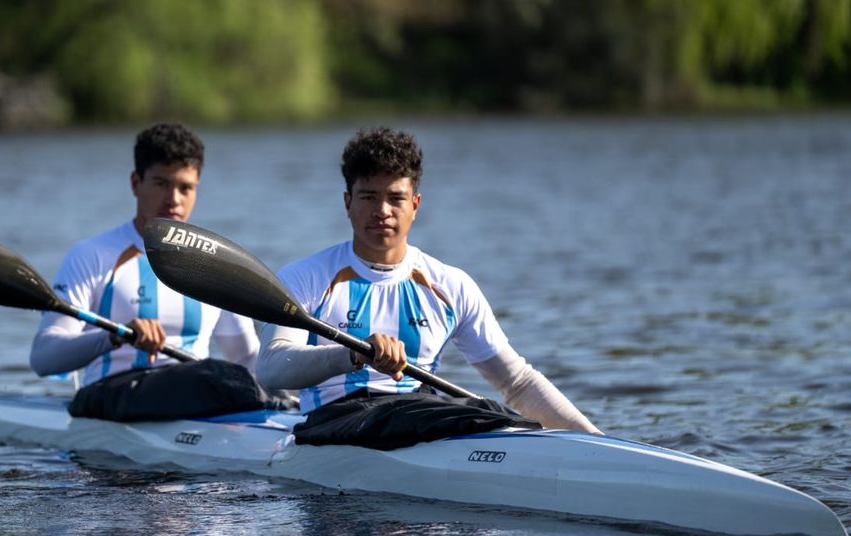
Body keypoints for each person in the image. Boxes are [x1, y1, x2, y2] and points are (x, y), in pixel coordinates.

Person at [257, 126, 600, 434]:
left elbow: (518, 383)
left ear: (415, 205)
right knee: (478, 414)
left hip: (420, 417)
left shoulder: (450, 285)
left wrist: (595, 441)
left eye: (396, 198)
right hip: (334, 421)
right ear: (347, 203)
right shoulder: (306, 277)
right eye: (368, 197)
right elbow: (271, 369)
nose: (383, 211)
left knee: (497, 413)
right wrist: (352, 355)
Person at [30, 124, 262, 412]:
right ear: (135, 182)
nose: (174, 199)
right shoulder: (92, 256)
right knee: (215, 376)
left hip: (195, 394)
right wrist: (114, 335)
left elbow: (247, 360)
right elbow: (43, 357)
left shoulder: (215, 264)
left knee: (243, 379)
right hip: (110, 395)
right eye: (161, 183)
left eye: (185, 187)